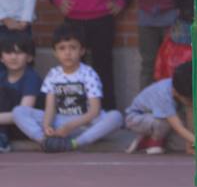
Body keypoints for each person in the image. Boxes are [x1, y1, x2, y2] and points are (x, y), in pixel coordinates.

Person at [13, 24, 123, 152]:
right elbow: (50, 108)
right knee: (19, 111)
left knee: (116, 117)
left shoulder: (89, 73)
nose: (67, 53)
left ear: (82, 51)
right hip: (60, 122)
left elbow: (94, 111)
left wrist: (69, 127)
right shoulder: (53, 74)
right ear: (55, 52)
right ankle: (45, 141)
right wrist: (47, 126)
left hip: (85, 124)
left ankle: (75, 143)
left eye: (73, 48)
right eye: (62, 48)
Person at [124, 61, 194, 155]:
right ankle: (152, 141)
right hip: (135, 118)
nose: (190, 102)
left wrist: (190, 146)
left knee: (179, 144)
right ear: (176, 92)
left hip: (156, 118)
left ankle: (149, 139)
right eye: (188, 99)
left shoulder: (180, 87)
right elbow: (178, 127)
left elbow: (190, 117)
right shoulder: (164, 95)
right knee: (164, 122)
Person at [0, 32, 41, 152]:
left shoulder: (31, 78)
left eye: (18, 52)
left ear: (29, 57)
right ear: (1, 57)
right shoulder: (2, 77)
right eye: (8, 52)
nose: (13, 57)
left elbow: (23, 114)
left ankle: (2, 138)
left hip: (27, 127)